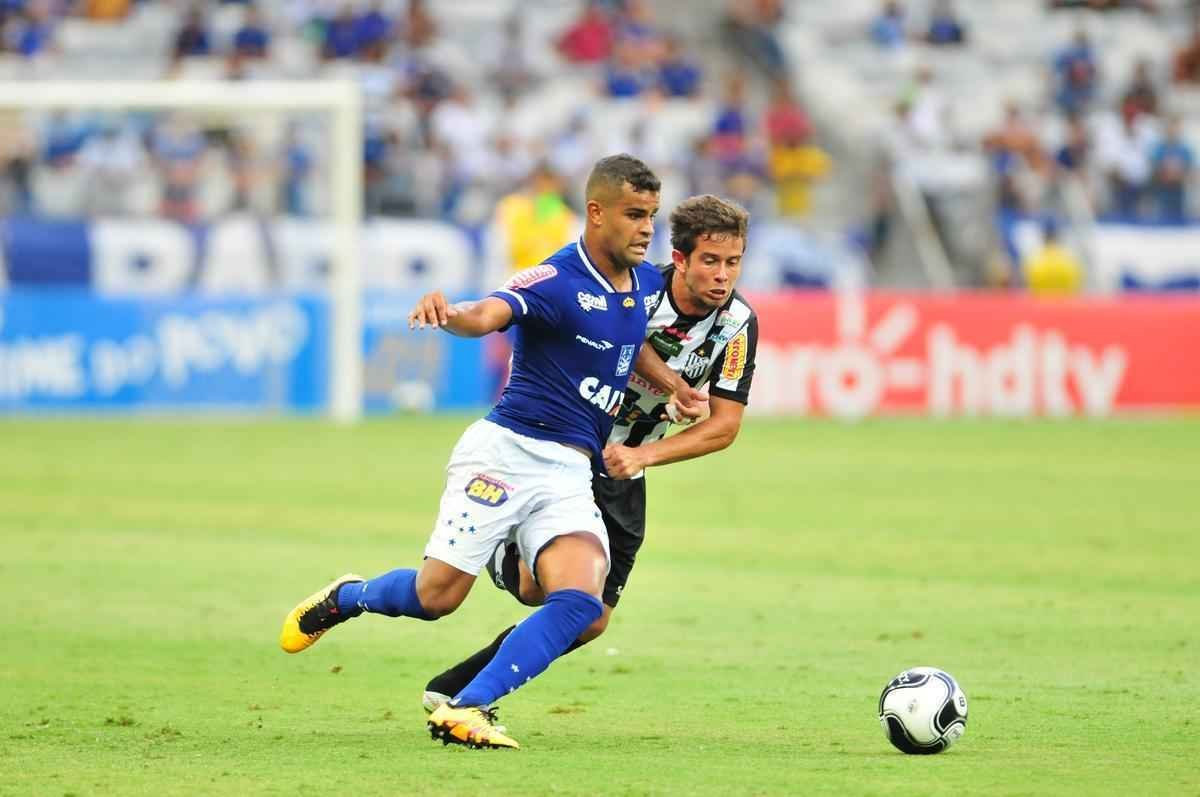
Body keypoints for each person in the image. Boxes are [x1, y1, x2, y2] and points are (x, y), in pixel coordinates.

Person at [279, 155, 673, 751]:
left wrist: (673, 384)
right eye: (634, 215)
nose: (646, 228)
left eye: (652, 215)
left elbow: (627, 341)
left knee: (582, 604)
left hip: (570, 471)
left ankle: (467, 706)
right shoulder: (555, 278)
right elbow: (489, 312)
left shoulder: (641, 283)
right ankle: (348, 597)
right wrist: (451, 314)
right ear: (596, 213)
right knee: (435, 598)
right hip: (505, 455)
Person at [421, 193, 758, 714]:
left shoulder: (738, 324)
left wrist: (644, 456)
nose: (722, 275)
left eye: (732, 262)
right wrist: (670, 383)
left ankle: (456, 686)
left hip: (626, 466)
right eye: (710, 261)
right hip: (570, 448)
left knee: (591, 617)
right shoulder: (637, 289)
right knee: (538, 589)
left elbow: (725, 426)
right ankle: (504, 552)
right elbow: (619, 338)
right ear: (680, 258)